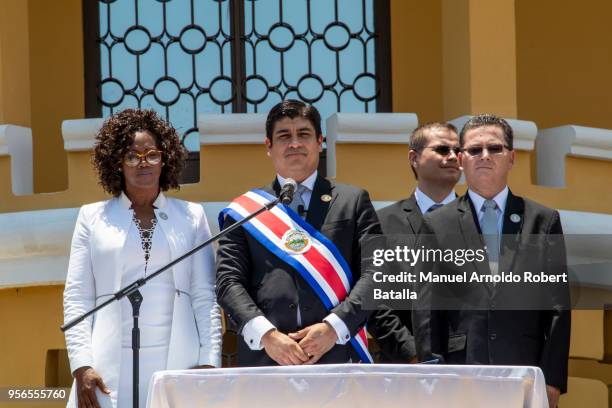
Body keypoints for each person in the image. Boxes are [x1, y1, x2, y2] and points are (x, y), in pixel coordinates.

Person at [63, 109, 222, 408]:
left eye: (152, 154)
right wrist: (81, 364)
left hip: (178, 361)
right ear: (117, 164)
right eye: (132, 156)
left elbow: (205, 296)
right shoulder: (91, 217)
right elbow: (76, 297)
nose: (143, 163)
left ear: (165, 159)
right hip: (107, 363)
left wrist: (209, 361)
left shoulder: (192, 216)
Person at [412, 114, 571, 408]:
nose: (484, 156)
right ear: (461, 159)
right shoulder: (437, 223)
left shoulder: (543, 221)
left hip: (525, 373)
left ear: (511, 157)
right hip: (458, 375)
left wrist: (553, 379)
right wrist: (431, 371)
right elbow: (427, 306)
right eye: (474, 150)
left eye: (495, 148)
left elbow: (558, 306)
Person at [216, 99, 381, 366]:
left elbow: (378, 274)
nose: (294, 143)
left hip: (338, 354)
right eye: (284, 136)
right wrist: (267, 336)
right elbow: (227, 283)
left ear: (320, 141)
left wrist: (333, 328)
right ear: (268, 146)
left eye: (303, 134)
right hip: (267, 358)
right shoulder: (246, 209)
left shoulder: (353, 200)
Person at [368, 122, 461, 363]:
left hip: (471, 367)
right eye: (442, 150)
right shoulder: (381, 223)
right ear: (414, 158)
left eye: (457, 151)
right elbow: (374, 299)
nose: (453, 157)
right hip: (404, 369)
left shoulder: (482, 221)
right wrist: (412, 354)